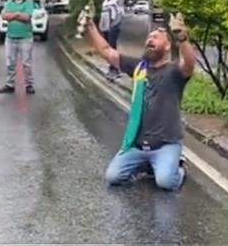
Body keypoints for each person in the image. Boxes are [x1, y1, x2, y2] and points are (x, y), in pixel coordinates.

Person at [84, 12, 196, 191]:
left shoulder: (174, 72)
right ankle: (147, 165)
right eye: (149, 37)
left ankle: (179, 167)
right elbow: (106, 51)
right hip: (137, 145)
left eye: (156, 37)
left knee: (166, 182)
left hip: (165, 144)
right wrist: (90, 26)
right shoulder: (139, 68)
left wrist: (181, 37)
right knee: (113, 177)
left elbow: (189, 64)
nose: (150, 40)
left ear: (167, 46)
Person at [0, 0, 36, 95]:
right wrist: (18, 14)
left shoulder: (29, 2)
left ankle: (29, 85)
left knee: (26, 63)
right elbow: (4, 16)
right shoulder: (10, 1)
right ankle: (10, 85)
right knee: (10, 62)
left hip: (25, 37)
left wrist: (12, 15)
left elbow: (27, 17)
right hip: (10, 37)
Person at [99, 0, 124, 81]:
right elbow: (103, 15)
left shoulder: (116, 1)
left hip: (113, 27)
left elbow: (121, 14)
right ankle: (111, 67)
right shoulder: (105, 2)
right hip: (106, 28)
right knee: (108, 48)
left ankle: (116, 69)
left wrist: (114, 25)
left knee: (113, 47)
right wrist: (102, 27)